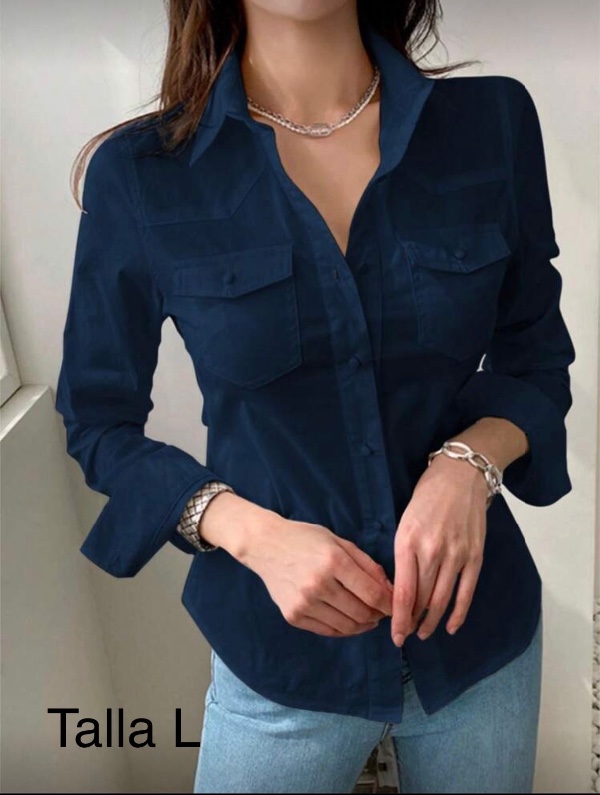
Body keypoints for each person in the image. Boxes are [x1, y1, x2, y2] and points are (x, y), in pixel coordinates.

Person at [55, 1, 576, 792]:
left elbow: (537, 360)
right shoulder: (142, 174)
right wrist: (251, 532)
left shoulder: (492, 124)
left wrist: (468, 465)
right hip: (280, 665)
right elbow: (98, 422)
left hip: (478, 642)